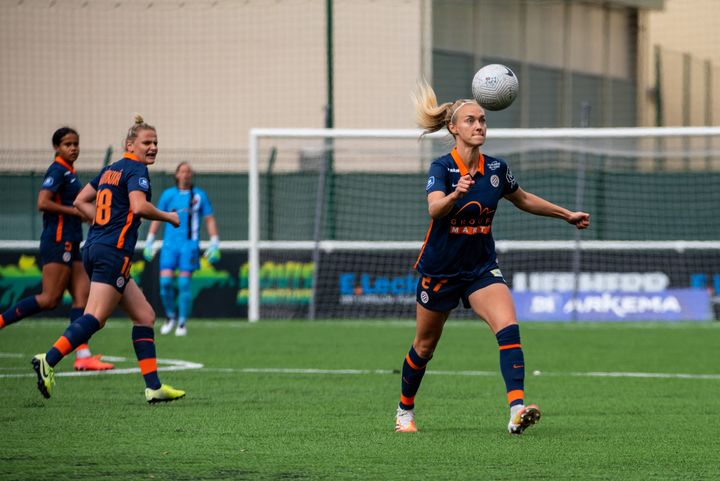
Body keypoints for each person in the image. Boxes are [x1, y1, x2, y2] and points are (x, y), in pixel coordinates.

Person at [394, 82, 590, 434]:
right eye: (471, 120)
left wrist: (566, 215)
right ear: (454, 128)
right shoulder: (442, 167)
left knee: (509, 329)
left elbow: (524, 199)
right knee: (424, 347)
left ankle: (516, 410)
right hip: (441, 269)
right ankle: (404, 411)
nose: (480, 125)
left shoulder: (496, 169)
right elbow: (435, 209)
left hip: (481, 269)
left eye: (483, 120)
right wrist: (456, 193)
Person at [31, 115, 186, 404]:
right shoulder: (136, 170)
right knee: (95, 318)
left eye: (155, 143)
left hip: (95, 248)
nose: (152, 147)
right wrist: (169, 217)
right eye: (147, 142)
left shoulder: (110, 169)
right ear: (130, 144)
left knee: (144, 316)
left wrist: (102, 225)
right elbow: (139, 207)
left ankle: (153, 386)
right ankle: (48, 359)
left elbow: (79, 201)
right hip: (112, 252)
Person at [0, 127, 114, 371]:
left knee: (82, 299)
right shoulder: (58, 170)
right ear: (56, 148)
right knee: (49, 299)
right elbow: (43, 202)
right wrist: (76, 211)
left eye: (75, 143)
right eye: (67, 144)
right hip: (58, 240)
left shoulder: (70, 173)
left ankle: (83, 355)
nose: (73, 148)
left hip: (72, 243)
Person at [143, 162, 220, 337]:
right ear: (176, 174)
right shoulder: (168, 195)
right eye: (182, 171)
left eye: (189, 172)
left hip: (189, 247)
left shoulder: (199, 196)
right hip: (169, 247)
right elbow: (156, 217)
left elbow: (209, 219)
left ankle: (183, 322)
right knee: (165, 284)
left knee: (185, 284)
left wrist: (215, 242)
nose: (186, 174)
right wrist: (150, 240)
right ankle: (171, 317)